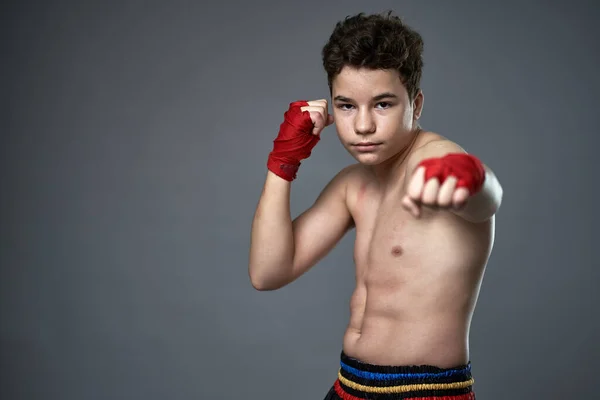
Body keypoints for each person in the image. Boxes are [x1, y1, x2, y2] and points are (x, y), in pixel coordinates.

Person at [248, 11, 503, 400]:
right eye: (347, 106)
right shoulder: (353, 185)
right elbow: (268, 272)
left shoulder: (436, 159)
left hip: (423, 393)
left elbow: (486, 201)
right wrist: (282, 162)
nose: (363, 125)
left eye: (382, 104)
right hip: (348, 386)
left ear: (415, 104)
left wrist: (470, 177)